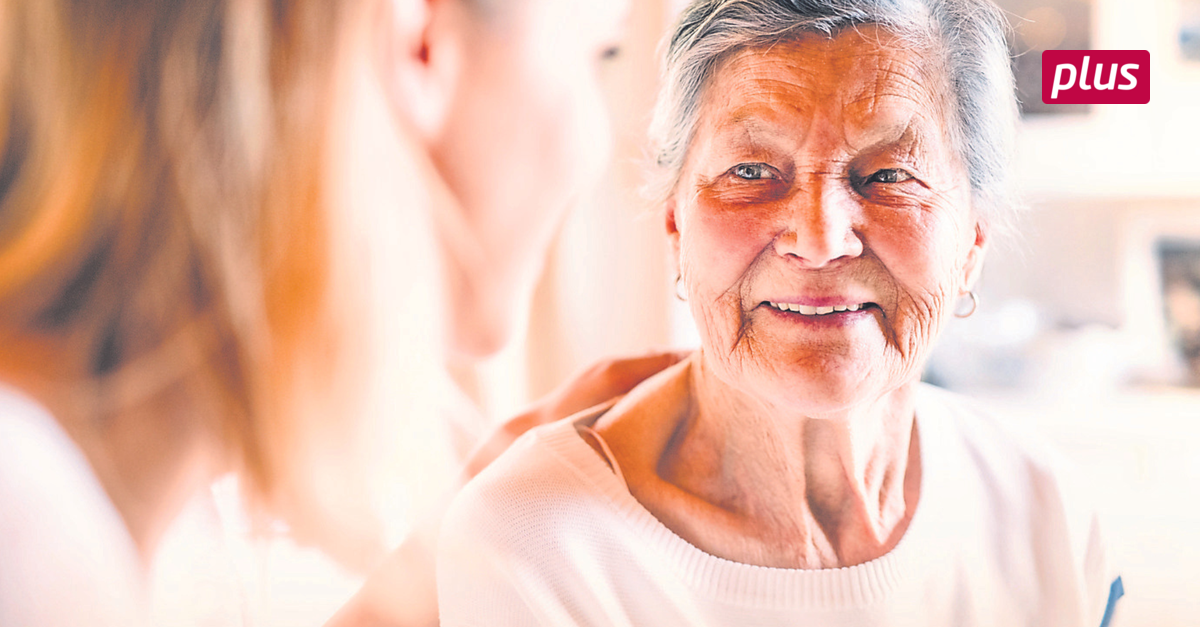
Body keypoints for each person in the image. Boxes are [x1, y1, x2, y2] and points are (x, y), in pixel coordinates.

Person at [437, 0, 1125, 625]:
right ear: (676, 223)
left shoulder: (1047, 511)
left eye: (887, 175)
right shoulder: (535, 547)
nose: (820, 239)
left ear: (972, 238)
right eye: (751, 172)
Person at [0, 0, 669, 624]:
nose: (595, 151)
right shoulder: (28, 533)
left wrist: (460, 560)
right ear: (422, 43)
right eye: (599, 55)